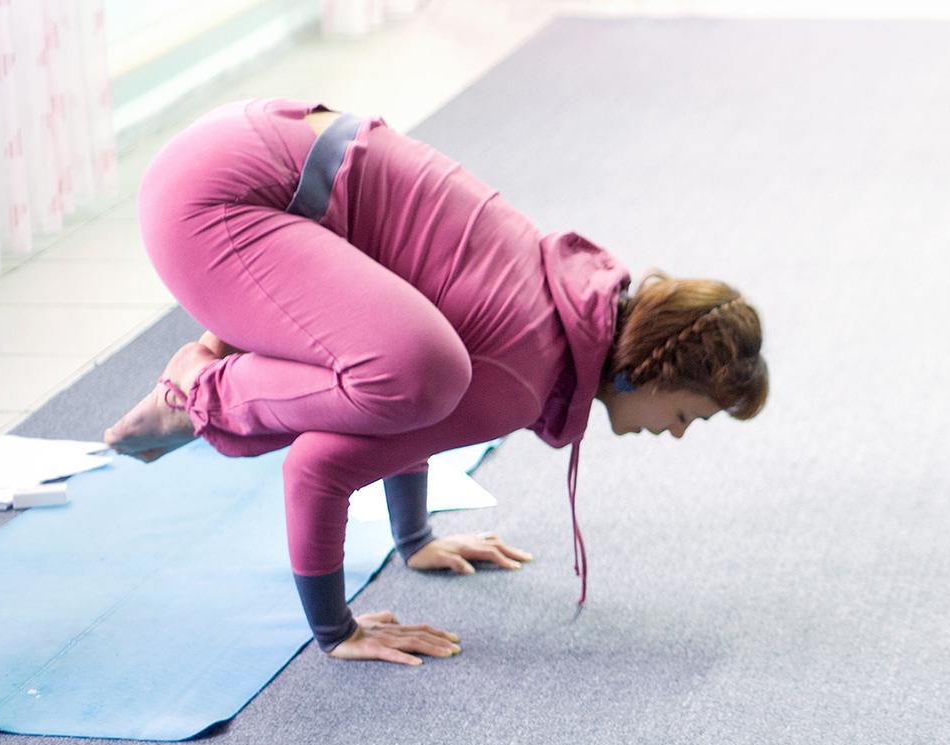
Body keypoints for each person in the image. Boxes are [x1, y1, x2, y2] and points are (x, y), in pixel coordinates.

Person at [102, 100, 769, 666]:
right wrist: (337, 630)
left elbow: (410, 411)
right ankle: (197, 395)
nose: (677, 434)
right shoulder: (529, 372)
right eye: (691, 415)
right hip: (216, 207)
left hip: (237, 156)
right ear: (650, 372)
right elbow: (319, 467)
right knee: (415, 373)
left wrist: (415, 538)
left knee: (417, 368)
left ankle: (219, 364)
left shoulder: (559, 308)